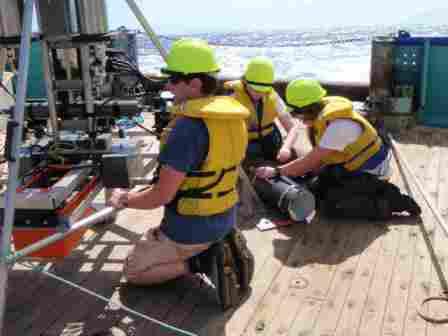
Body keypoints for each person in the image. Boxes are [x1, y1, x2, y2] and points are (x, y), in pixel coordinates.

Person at [109, 38, 254, 309]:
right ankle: (217, 244)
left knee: (133, 271)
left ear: (196, 83)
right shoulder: (234, 120)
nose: (167, 86)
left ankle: (202, 260)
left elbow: (161, 196)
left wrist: (124, 199)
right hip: (224, 216)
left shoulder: (187, 129)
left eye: (174, 79)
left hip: (190, 228)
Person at [255, 79, 420, 220]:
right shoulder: (323, 115)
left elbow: (310, 161)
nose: (298, 118)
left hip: (371, 171)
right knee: (315, 188)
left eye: (297, 113)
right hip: (349, 165)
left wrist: (277, 172)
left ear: (308, 108)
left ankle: (390, 201)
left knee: (331, 206)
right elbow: (318, 160)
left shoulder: (338, 126)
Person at [224, 57, 300, 163]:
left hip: (270, 139)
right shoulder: (232, 97)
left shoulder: (272, 96)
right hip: (245, 144)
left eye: (263, 91)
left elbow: (292, 127)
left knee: (293, 155)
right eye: (254, 89)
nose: (259, 94)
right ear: (245, 81)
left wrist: (286, 147)